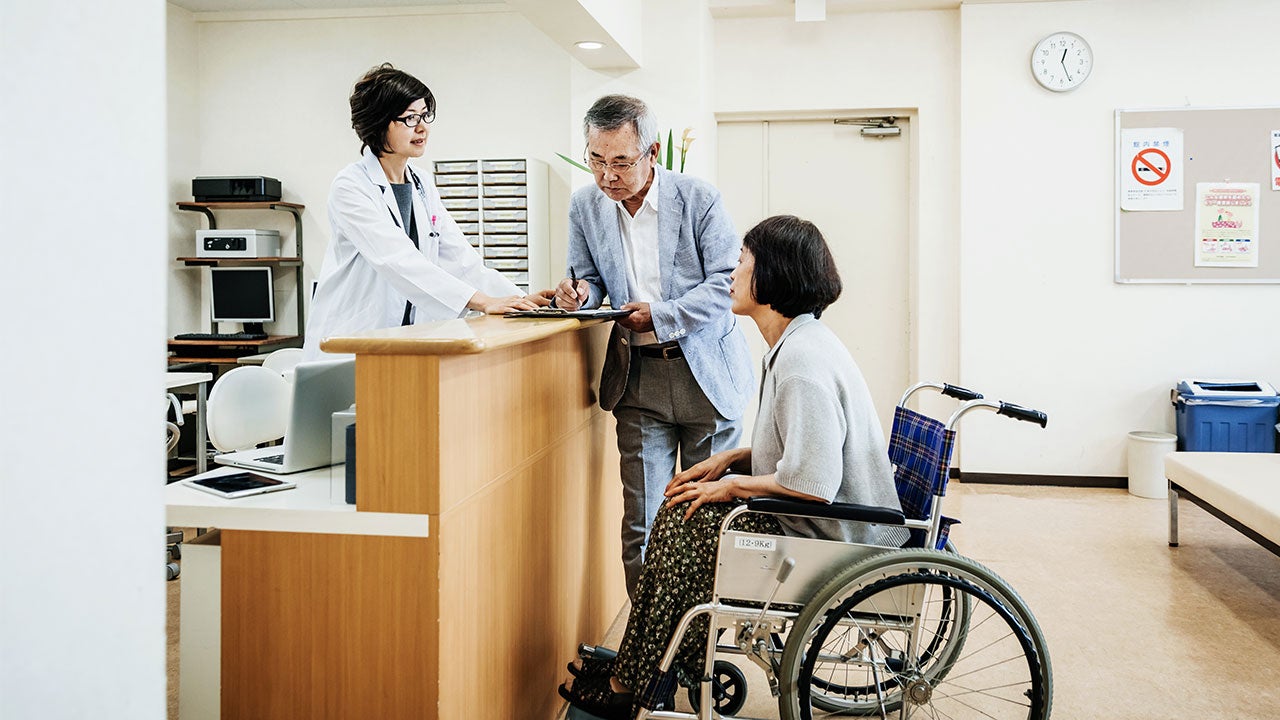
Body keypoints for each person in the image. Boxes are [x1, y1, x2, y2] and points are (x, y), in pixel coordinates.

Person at [558, 214, 902, 719]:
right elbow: (798, 450)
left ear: (771, 279)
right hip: (817, 519)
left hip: (838, 533)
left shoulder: (803, 362)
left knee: (691, 524)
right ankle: (642, 665)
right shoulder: (794, 344)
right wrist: (731, 459)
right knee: (678, 511)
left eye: (743, 262)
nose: (733, 274)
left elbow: (813, 481)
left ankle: (637, 675)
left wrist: (735, 485)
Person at [553, 94, 754, 596]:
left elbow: (726, 284)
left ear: (653, 152)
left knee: (705, 521)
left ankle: (698, 648)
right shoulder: (586, 205)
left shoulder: (698, 199)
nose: (606, 176)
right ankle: (652, 658)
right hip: (637, 380)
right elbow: (592, 279)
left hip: (705, 375)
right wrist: (579, 292)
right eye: (595, 160)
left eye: (620, 161)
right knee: (642, 525)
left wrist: (660, 315)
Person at [303, 63, 549, 360]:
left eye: (424, 116)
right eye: (409, 118)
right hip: (350, 342)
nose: (422, 128)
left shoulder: (421, 183)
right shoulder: (351, 187)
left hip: (406, 340)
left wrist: (520, 302)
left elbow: (461, 260)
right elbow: (397, 260)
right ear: (378, 123)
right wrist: (482, 302)